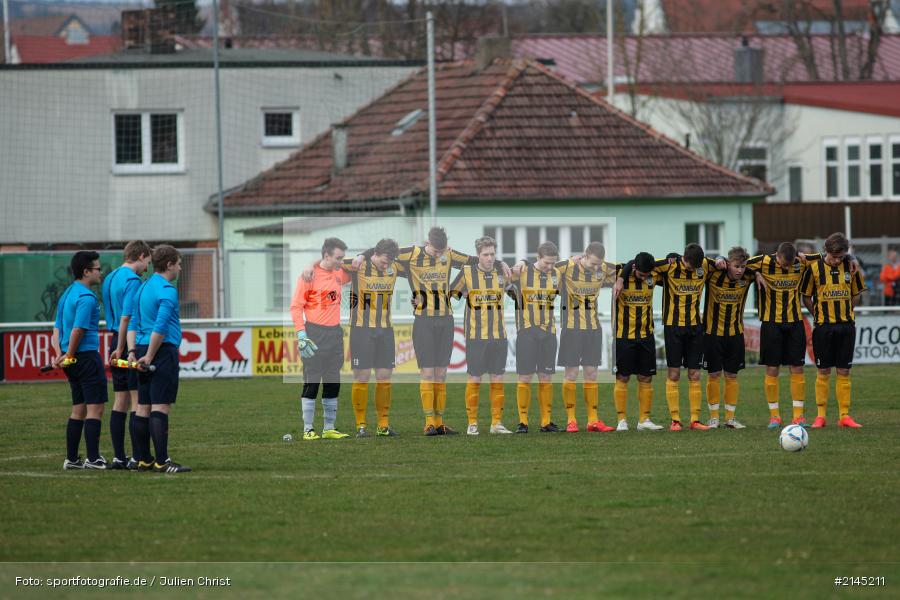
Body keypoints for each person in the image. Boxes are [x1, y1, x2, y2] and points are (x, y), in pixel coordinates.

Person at [353, 227, 511, 436]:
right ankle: (428, 422)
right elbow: (385, 250)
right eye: (436, 252)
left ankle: (439, 422)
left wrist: (501, 263)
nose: (439, 256)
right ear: (428, 243)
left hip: (446, 320)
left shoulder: (449, 253)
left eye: (442, 252)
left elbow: (475, 260)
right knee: (427, 373)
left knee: (441, 374)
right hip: (424, 322)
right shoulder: (411, 253)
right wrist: (360, 256)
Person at [631, 244, 712, 431]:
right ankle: (675, 420)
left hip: (695, 328)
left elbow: (725, 264)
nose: (693, 270)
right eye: (691, 267)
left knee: (695, 374)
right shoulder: (669, 266)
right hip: (673, 328)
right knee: (673, 373)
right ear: (684, 258)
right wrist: (621, 278)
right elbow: (640, 262)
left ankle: (695, 419)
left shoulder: (705, 265)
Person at [129, 245, 191, 473]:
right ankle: (162, 461)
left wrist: (133, 351)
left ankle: (143, 459)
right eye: (179, 263)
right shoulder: (167, 289)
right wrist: (150, 355)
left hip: (142, 347)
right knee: (160, 406)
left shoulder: (143, 287)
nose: (180, 268)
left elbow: (134, 321)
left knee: (143, 406)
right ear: (169, 264)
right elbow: (161, 326)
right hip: (160, 351)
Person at [801, 233, 868, 428]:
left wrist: (848, 310)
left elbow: (856, 294)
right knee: (823, 370)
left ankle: (844, 416)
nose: (837, 260)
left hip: (846, 326)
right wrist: (818, 315)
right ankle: (820, 416)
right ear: (826, 251)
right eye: (834, 256)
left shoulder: (851, 266)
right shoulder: (814, 268)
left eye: (841, 256)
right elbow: (806, 297)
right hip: (823, 327)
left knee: (844, 370)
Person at [450, 236, 514, 435]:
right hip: (475, 336)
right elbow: (451, 296)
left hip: (498, 336)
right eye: (485, 254)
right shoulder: (467, 272)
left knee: (497, 378)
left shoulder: (502, 272)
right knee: (475, 379)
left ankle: (496, 423)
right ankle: (472, 423)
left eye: (492, 254)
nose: (489, 258)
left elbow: (516, 293)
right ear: (478, 255)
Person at [745, 242, 814, 429]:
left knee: (797, 368)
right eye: (784, 264)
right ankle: (774, 416)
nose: (787, 267)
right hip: (771, 324)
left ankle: (798, 416)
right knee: (772, 369)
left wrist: (851, 259)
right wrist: (756, 273)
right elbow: (737, 264)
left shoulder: (800, 262)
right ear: (777, 255)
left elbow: (827, 258)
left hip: (794, 323)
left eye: (790, 264)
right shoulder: (762, 261)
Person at [290, 238, 351, 441]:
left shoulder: (339, 273)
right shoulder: (308, 276)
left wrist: (313, 261)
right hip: (314, 333)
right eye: (338, 258)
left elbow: (362, 260)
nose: (341, 261)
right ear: (326, 256)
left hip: (334, 334)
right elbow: (296, 307)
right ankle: (308, 429)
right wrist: (301, 334)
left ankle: (329, 428)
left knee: (333, 381)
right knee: (312, 381)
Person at [52, 250, 108, 470]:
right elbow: (78, 329)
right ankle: (93, 459)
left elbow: (56, 329)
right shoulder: (86, 297)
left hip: (72, 359)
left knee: (78, 409)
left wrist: (60, 355)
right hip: (84, 357)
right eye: (97, 269)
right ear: (86, 272)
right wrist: (71, 354)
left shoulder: (67, 294)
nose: (100, 273)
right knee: (95, 409)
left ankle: (72, 459)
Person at [346, 239, 405, 437]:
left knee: (384, 378)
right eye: (383, 262)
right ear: (376, 253)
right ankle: (361, 425)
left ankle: (383, 425)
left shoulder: (394, 266)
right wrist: (308, 268)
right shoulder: (359, 264)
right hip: (361, 329)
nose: (386, 266)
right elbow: (330, 262)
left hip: (385, 330)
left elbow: (418, 260)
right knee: (362, 377)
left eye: (389, 263)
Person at [556, 242, 617, 432]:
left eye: (599, 265)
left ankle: (593, 420)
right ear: (584, 256)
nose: (596, 268)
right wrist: (567, 259)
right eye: (592, 264)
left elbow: (625, 269)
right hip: (571, 329)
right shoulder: (568, 266)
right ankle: (571, 420)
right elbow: (542, 266)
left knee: (591, 374)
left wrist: (620, 280)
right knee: (571, 374)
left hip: (593, 328)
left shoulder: (604, 267)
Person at [102, 240, 152, 469]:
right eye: (147, 262)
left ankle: (118, 457)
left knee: (119, 399)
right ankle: (136, 456)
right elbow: (127, 317)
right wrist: (124, 348)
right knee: (135, 399)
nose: (147, 268)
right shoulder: (132, 280)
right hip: (125, 340)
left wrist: (116, 344)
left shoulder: (110, 277)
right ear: (141, 256)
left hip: (113, 338)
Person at [706, 247, 765, 428]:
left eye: (743, 266)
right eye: (736, 266)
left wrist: (757, 274)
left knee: (732, 375)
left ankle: (730, 418)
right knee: (714, 374)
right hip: (712, 333)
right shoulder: (714, 273)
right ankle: (714, 417)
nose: (740, 270)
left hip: (735, 334)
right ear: (729, 263)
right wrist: (718, 258)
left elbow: (768, 260)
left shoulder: (748, 276)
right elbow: (703, 261)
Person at [510, 242, 563, 433]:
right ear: (538, 258)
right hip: (527, 331)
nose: (550, 267)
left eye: (553, 263)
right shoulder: (522, 272)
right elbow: (504, 275)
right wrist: (519, 262)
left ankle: (546, 422)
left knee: (546, 377)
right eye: (547, 263)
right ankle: (522, 422)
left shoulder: (557, 273)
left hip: (549, 332)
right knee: (524, 377)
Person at [611, 252, 663, 431]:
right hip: (624, 336)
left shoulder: (654, 274)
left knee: (646, 377)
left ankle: (644, 420)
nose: (645, 278)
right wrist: (621, 278)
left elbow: (675, 259)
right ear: (634, 267)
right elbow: (596, 265)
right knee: (622, 377)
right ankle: (621, 420)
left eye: (647, 275)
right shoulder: (619, 272)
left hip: (646, 335)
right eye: (642, 275)